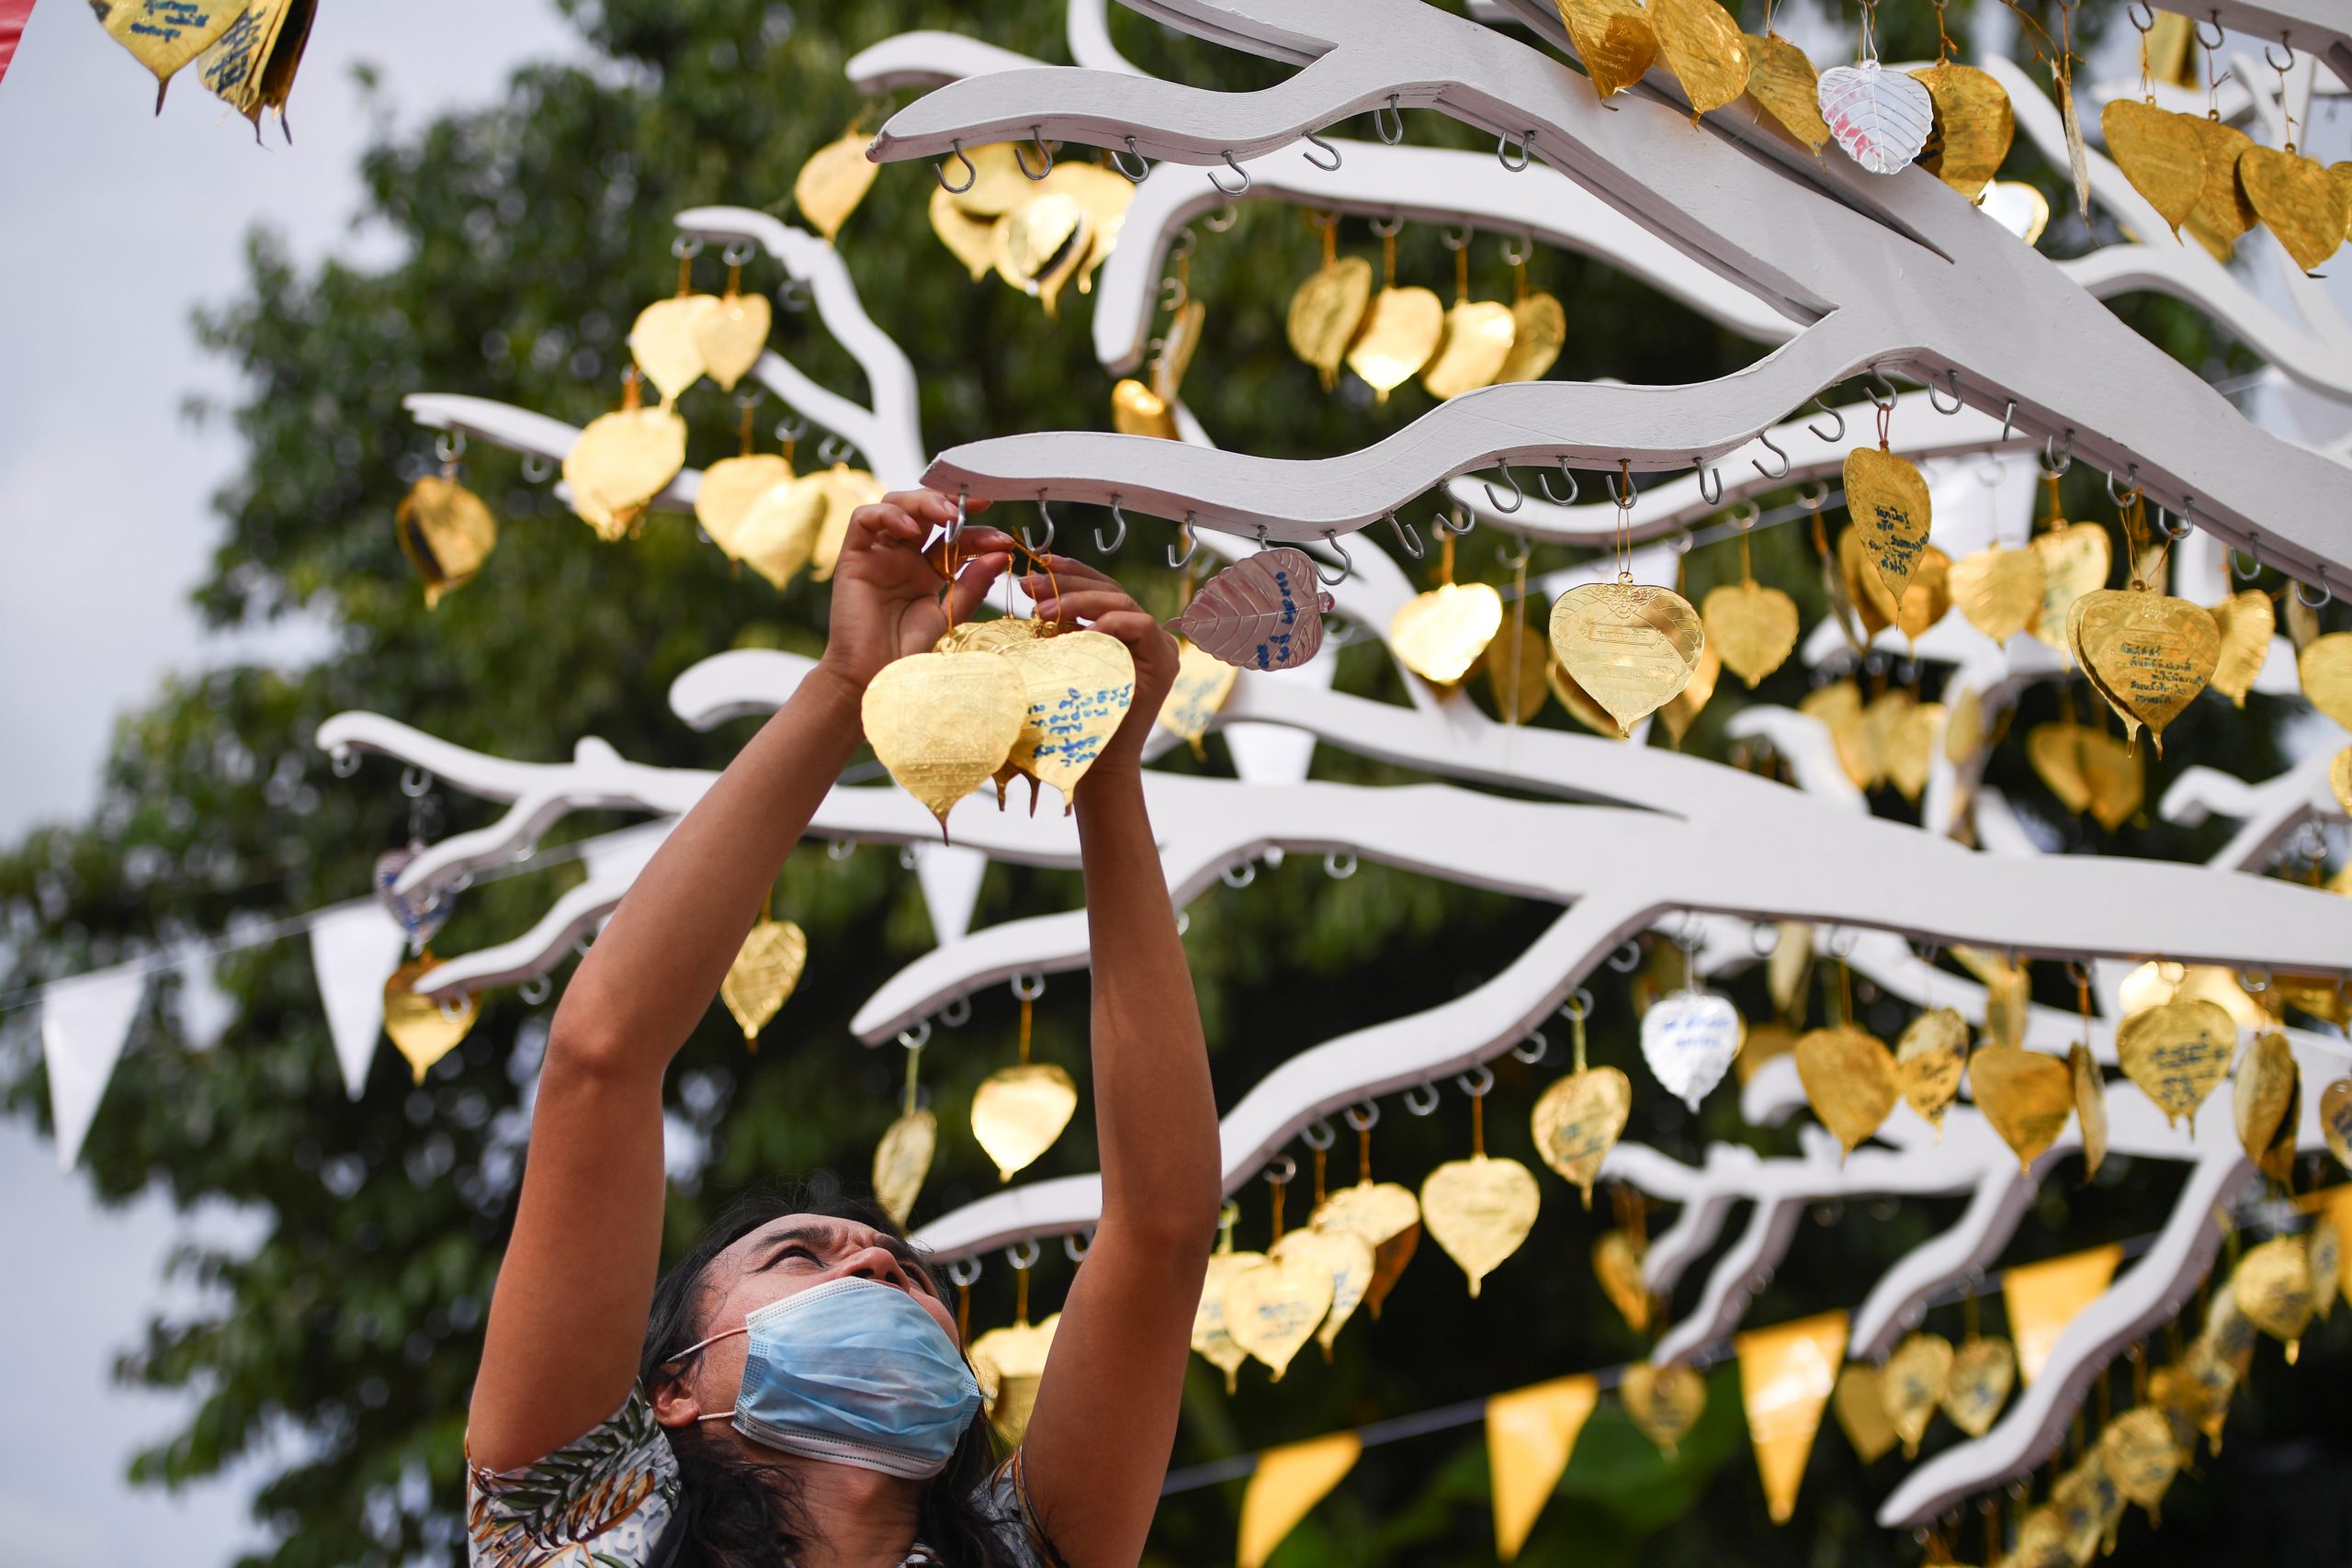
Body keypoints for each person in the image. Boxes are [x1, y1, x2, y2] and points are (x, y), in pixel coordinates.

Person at [464, 489, 1223, 1568]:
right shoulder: (573, 1525)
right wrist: (844, 688)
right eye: (800, 1254)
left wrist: (1098, 767)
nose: (876, 1267)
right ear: (672, 1388)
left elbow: (1157, 1230)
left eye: (907, 1273)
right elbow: (600, 1059)